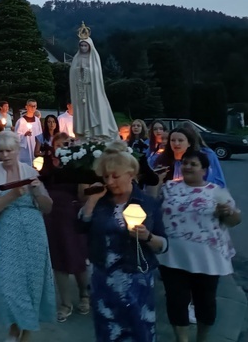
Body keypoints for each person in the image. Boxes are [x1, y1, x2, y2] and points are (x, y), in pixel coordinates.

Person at [79, 141, 167, 342]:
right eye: (105, 176)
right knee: (108, 332)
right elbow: (81, 227)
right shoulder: (100, 203)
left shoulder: (148, 204)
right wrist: (91, 202)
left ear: (131, 174)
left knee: (139, 331)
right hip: (104, 281)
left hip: (136, 281)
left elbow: (164, 245)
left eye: (115, 176)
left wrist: (148, 237)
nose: (109, 181)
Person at [157, 150, 240, 342]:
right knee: (176, 301)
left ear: (204, 170)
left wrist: (228, 212)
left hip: (207, 259)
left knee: (205, 303)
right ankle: (182, 339)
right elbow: (152, 205)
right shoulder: (169, 187)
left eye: (193, 164)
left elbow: (235, 220)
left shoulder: (216, 192)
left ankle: (202, 338)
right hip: (173, 256)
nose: (187, 167)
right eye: (185, 163)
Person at [0, 132, 55, 341]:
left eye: (9, 150)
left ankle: (28, 331)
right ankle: (14, 326)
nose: (4, 155)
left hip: (33, 234)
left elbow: (48, 208)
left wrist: (38, 191)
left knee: (32, 282)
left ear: (18, 150)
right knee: (8, 285)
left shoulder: (29, 171)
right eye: (0, 151)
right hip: (7, 235)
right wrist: (13, 194)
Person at [39, 132, 90, 323]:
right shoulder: (47, 163)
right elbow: (40, 184)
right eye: (60, 144)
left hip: (72, 215)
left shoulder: (77, 164)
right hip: (52, 216)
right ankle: (65, 303)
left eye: (67, 144)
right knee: (58, 259)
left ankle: (85, 294)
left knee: (77, 256)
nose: (63, 147)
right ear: (53, 145)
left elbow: (83, 195)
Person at [68, 22, 119, 139]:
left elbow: (96, 73)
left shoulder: (94, 58)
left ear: (90, 46)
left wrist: (87, 71)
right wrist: (78, 71)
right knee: (83, 111)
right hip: (81, 92)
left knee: (95, 108)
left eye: (85, 46)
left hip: (92, 90)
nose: (83, 48)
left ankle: (97, 132)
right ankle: (84, 132)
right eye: (81, 46)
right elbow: (73, 74)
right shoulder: (77, 58)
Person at [15, 99, 42, 166]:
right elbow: (16, 136)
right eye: (31, 106)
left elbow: (40, 134)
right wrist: (24, 135)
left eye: (34, 106)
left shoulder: (37, 120)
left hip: (35, 147)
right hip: (25, 149)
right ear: (26, 107)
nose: (33, 108)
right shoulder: (21, 121)